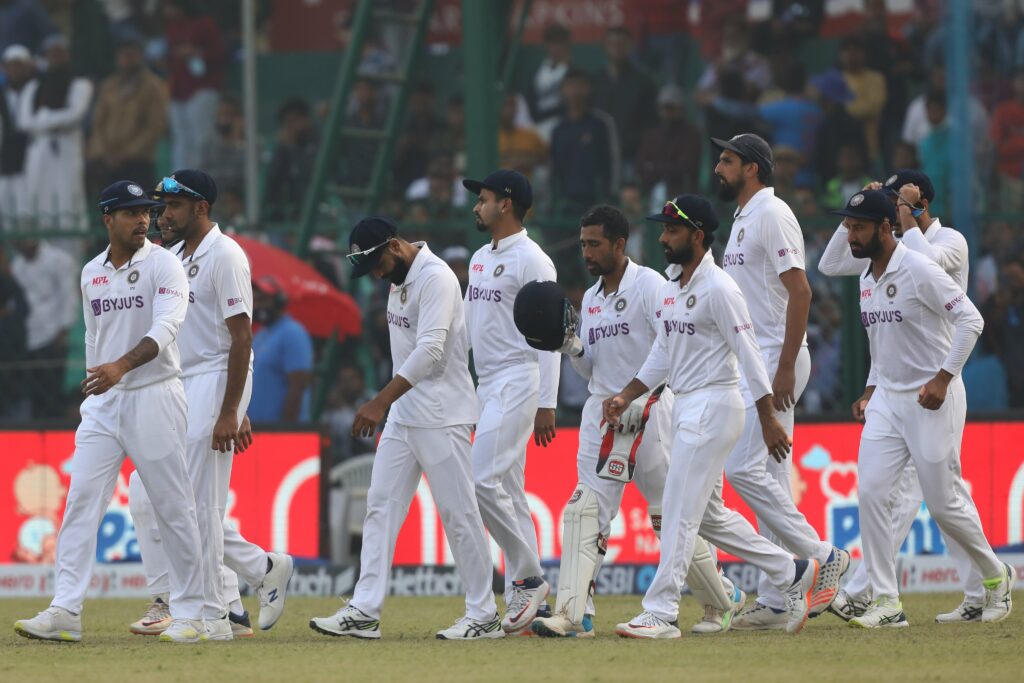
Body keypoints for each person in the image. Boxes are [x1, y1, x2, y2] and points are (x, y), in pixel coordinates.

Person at [605, 194, 818, 639]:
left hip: (716, 404)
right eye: (663, 230)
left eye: (673, 231)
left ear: (698, 235)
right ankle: (792, 570)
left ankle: (660, 612)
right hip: (685, 404)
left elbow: (750, 354)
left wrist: (767, 418)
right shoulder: (670, 289)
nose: (663, 238)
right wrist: (627, 395)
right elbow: (663, 354)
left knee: (679, 509)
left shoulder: (721, 288)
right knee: (707, 517)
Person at [530, 205, 741, 638]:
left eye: (595, 244)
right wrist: (570, 347)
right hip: (601, 412)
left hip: (650, 411)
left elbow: (669, 351)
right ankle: (575, 614)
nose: (587, 252)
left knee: (671, 515)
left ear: (619, 244)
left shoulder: (650, 285)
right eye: (584, 243)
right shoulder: (590, 298)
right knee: (585, 509)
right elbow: (592, 370)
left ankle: (721, 598)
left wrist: (638, 397)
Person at [13, 181, 206, 643]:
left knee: (172, 505)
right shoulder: (90, 272)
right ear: (107, 219)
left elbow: (168, 326)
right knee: (81, 501)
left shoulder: (165, 264)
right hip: (104, 402)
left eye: (146, 212)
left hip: (155, 394)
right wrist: (94, 386)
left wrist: (121, 366)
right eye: (130, 213)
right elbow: (92, 337)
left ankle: (193, 612)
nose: (143, 219)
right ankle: (65, 610)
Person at [310, 217, 501, 640]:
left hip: (442, 413)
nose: (377, 275)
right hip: (405, 413)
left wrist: (380, 401)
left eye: (378, 263)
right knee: (380, 507)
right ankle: (364, 610)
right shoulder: (400, 276)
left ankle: (484, 613)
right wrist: (392, 405)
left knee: (458, 513)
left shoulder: (436, 278)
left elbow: (432, 350)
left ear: (395, 246)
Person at [831, 189, 1013, 628]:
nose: (851, 236)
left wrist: (943, 377)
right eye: (849, 227)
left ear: (885, 227)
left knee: (944, 503)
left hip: (932, 398)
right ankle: (887, 602)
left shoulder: (918, 267)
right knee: (871, 493)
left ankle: (995, 573)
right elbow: (883, 345)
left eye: (858, 228)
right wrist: (871, 388)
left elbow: (972, 320)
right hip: (888, 402)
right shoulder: (865, 278)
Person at [126, 170, 293, 640]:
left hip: (217, 376)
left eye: (173, 207)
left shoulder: (227, 255)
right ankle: (258, 571)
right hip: (182, 382)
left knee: (200, 504)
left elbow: (241, 338)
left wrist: (230, 409)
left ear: (202, 208)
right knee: (147, 489)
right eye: (161, 207)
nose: (163, 216)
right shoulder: (173, 256)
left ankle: (210, 617)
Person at [712, 134, 849, 630]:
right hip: (758, 356)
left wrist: (787, 363)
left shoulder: (772, 213)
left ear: (752, 168)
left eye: (726, 160)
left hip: (774, 358)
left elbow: (802, 290)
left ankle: (822, 553)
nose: (717, 168)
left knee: (742, 469)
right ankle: (779, 597)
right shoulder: (744, 216)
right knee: (767, 477)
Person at [461, 169, 558, 634]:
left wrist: (547, 402)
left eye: (483, 198)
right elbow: (466, 327)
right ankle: (534, 602)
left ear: (507, 203)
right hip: (487, 383)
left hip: (521, 377)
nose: (476, 206)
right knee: (511, 492)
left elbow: (553, 333)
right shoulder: (481, 257)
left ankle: (528, 577)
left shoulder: (533, 261)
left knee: (481, 480)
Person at [18, 34, 92, 235]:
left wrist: (43, 117)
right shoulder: (34, 86)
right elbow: (24, 121)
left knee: (68, 198)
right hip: (39, 149)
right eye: (52, 53)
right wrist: (50, 120)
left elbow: (74, 115)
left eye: (60, 52)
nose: (56, 57)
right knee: (40, 199)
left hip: (66, 147)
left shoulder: (79, 83)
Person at [86, 35, 168, 194]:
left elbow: (155, 126)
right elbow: (99, 123)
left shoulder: (153, 87)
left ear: (140, 56)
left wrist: (127, 154)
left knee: (139, 212)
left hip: (139, 162)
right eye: (123, 55)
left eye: (131, 55)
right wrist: (103, 152)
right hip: (108, 162)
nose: (127, 59)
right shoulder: (109, 86)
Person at [9, 238, 76, 418]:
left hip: (53, 337)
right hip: (27, 339)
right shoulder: (17, 265)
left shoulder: (59, 260)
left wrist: (63, 331)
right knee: (32, 395)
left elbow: (68, 296)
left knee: (52, 392)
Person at [164, 0, 225, 170]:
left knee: (202, 138)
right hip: (178, 90)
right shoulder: (171, 26)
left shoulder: (204, 24)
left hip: (202, 87)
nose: (168, 10)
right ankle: (179, 182)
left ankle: (201, 179)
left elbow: (219, 53)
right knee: (181, 139)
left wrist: (196, 53)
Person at [550, 69, 619, 214]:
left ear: (588, 89)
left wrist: (609, 196)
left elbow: (613, 161)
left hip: (596, 202)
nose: (574, 91)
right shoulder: (558, 129)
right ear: (562, 91)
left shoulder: (601, 123)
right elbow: (554, 169)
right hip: (565, 204)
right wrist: (554, 200)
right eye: (569, 86)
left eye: (579, 85)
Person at [249, 276, 313, 422]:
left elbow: (298, 385)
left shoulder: (293, 332)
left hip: (280, 432)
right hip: (257, 432)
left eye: (264, 300)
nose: (258, 306)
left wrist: (286, 429)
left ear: (279, 301)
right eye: (256, 301)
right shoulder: (260, 335)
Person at [263, 97, 319, 222]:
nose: (291, 126)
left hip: (317, 210)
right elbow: (272, 181)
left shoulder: (318, 141)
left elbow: (311, 173)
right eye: (287, 122)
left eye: (294, 120)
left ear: (306, 119)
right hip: (288, 214)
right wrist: (283, 148)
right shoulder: (283, 148)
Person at [0, 44, 34, 231]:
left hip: (28, 161)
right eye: (11, 65)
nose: (15, 70)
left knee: (25, 216)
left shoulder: (36, 90)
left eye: (19, 65)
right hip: (4, 163)